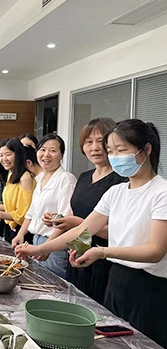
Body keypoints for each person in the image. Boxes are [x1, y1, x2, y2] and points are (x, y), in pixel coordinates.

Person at [16, 119, 167, 348]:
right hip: (116, 282)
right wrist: (40, 248)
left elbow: (155, 251)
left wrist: (102, 252)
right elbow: (82, 229)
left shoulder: (161, 192)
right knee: (112, 348)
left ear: (146, 149)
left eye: (121, 150)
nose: (115, 157)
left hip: (149, 288)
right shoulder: (116, 192)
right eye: (111, 151)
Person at [45, 118, 125, 303]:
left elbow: (119, 231)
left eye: (100, 141)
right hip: (77, 254)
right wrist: (60, 219)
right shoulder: (84, 177)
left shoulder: (121, 181)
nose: (94, 147)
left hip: (103, 261)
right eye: (89, 142)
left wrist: (79, 224)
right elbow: (76, 213)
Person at [11, 134, 77, 279]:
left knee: (52, 285)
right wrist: (20, 234)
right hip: (36, 241)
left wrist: (48, 246)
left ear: (62, 155)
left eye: (52, 151)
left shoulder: (66, 179)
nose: (46, 154)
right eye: (42, 150)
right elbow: (31, 212)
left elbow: (65, 219)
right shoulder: (40, 178)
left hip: (54, 246)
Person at [0, 138, 35, 242]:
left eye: (8, 154)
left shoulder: (25, 178)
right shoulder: (11, 174)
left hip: (22, 233)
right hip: (10, 228)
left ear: (18, 155)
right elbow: (13, 207)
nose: (4, 159)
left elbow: (22, 215)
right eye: (1, 155)